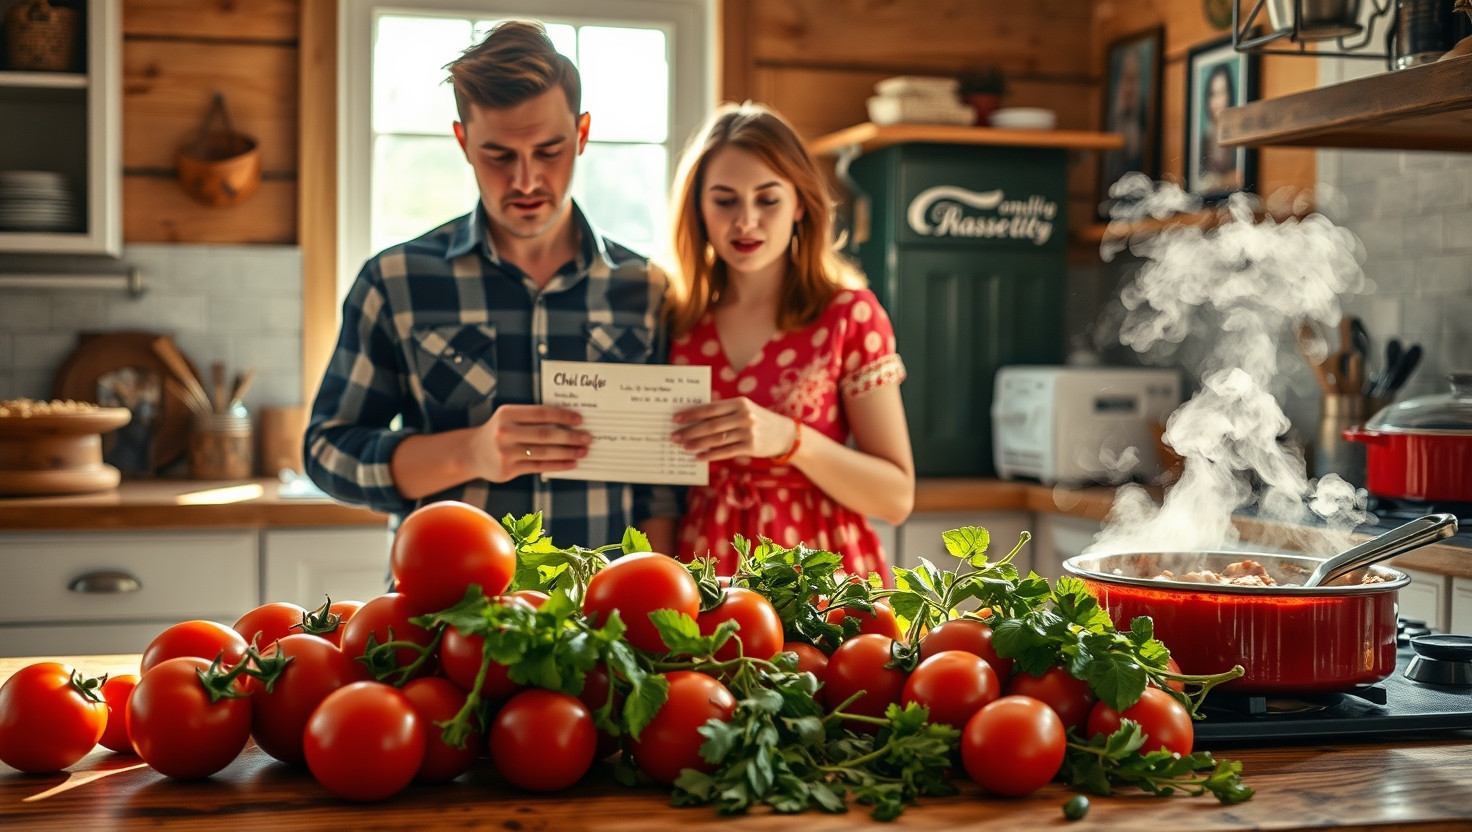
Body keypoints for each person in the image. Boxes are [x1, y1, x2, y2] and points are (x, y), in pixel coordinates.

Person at [304, 21, 677, 553]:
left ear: (582, 135)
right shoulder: (394, 282)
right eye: (499, 155)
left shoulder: (648, 290)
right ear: (463, 142)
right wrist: (469, 453)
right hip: (446, 599)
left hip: (603, 603)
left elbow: (661, 489)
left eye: (549, 151)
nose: (525, 180)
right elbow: (326, 451)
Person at [663, 102, 915, 583]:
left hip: (822, 574)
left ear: (799, 203)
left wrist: (790, 440)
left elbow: (896, 498)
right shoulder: (676, 318)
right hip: (705, 567)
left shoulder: (849, 314)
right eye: (725, 200)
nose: (746, 221)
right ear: (698, 208)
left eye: (767, 200)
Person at [1198, 63, 1242, 193]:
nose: (1217, 101)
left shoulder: (1238, 138)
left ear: (1229, 95)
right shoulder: (1204, 140)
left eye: (1221, 92)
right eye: (1212, 94)